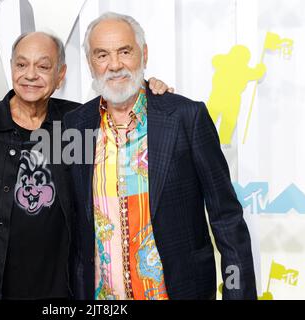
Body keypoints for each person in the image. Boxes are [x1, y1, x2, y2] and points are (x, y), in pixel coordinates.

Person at [0, 31, 172, 300]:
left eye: (43, 67)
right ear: (11, 67)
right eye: (21, 65)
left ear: (60, 74)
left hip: (59, 285)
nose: (30, 75)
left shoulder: (78, 123)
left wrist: (153, 93)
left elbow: (124, 110)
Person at [64, 12, 257, 300]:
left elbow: (227, 220)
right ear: (91, 64)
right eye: (102, 55)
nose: (114, 65)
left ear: (144, 54)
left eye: (125, 51)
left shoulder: (185, 117)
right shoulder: (73, 125)